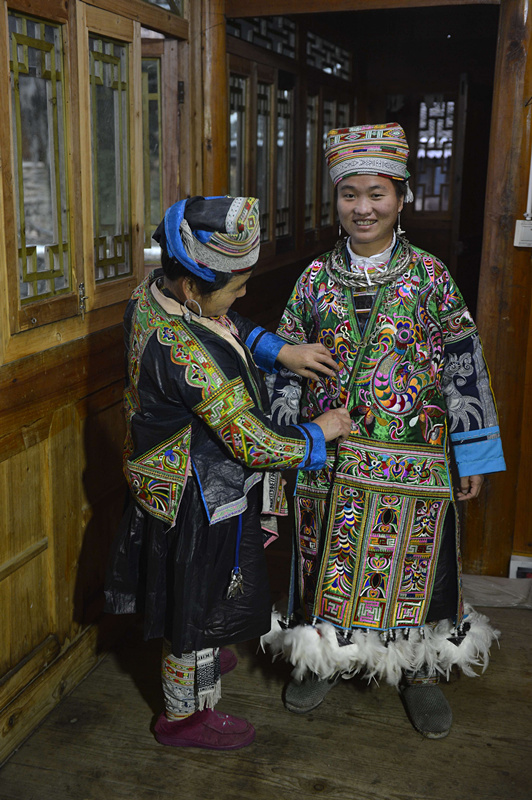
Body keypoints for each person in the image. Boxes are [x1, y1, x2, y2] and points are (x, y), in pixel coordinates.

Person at [263, 123, 506, 739]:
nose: (362, 208)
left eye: (376, 194)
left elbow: (462, 363)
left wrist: (472, 453)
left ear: (401, 197)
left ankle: (420, 672)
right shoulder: (314, 280)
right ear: (335, 199)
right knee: (327, 566)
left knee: (420, 572)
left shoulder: (429, 277)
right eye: (350, 194)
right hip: (330, 463)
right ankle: (325, 659)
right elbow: (283, 366)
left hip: (415, 461)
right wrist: (285, 448)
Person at [104, 195, 351, 751]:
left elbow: (230, 320)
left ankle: (202, 654)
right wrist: (321, 431)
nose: (243, 296)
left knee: (201, 588)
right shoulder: (187, 356)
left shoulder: (155, 294)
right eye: (235, 285)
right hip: (195, 493)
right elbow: (252, 440)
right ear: (194, 286)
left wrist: (281, 352)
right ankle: (182, 717)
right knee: (194, 602)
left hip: (165, 472)